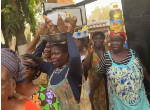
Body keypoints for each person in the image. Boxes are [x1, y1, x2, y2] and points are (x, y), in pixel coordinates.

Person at [90, 32, 150, 110]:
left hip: (139, 99)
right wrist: (91, 93)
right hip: (119, 103)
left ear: (124, 41)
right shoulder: (106, 58)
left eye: (117, 41)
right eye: (112, 41)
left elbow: (142, 68)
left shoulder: (133, 54)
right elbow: (98, 76)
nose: (114, 44)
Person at [28, 32, 83, 110]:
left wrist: (68, 35)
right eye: (52, 54)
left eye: (56, 54)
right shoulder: (52, 68)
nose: (53, 57)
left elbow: (74, 57)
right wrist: (44, 40)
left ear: (66, 54)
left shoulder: (72, 69)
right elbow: (34, 61)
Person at [83, 31, 108, 110]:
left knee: (108, 102)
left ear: (104, 39)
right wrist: (90, 54)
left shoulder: (107, 50)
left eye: (100, 38)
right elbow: (85, 69)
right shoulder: (90, 51)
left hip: (107, 82)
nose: (98, 40)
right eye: (96, 38)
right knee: (96, 104)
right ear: (93, 40)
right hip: (95, 84)